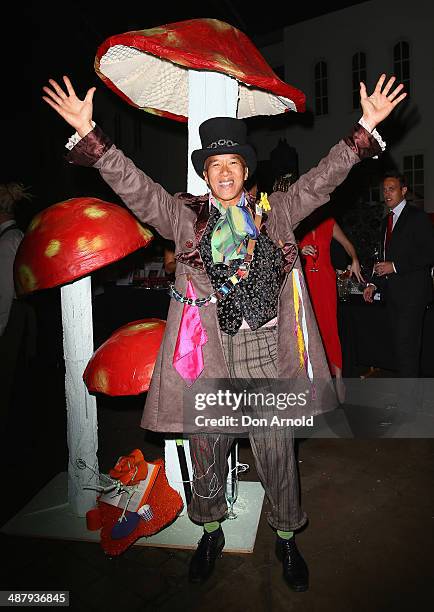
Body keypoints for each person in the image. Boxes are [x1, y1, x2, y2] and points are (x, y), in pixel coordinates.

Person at [43, 73, 406, 591]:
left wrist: (365, 126)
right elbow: (137, 187)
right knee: (206, 448)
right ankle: (210, 531)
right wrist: (92, 136)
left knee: (277, 450)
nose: (225, 173)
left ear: (244, 171)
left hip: (264, 350)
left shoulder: (276, 213)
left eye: (233, 163)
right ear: (206, 176)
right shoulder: (185, 219)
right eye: (215, 165)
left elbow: (323, 179)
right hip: (210, 354)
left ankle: (286, 538)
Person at [363, 171, 434, 377]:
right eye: (384, 189)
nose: (386, 193)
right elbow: (383, 257)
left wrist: (394, 266)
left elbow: (429, 254)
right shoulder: (386, 221)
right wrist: (373, 284)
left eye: (391, 189)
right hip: (393, 295)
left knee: (408, 350)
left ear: (403, 191)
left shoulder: (417, 217)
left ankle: (409, 403)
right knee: (400, 350)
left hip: (413, 295)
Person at [298, 216, 364, 402]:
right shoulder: (297, 221)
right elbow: (282, 247)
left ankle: (339, 380)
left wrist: (355, 259)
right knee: (309, 331)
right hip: (305, 282)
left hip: (326, 282)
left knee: (330, 329)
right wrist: (300, 249)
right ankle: (317, 381)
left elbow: (347, 244)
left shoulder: (328, 223)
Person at [0, 182, 35, 419]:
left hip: (10, 317)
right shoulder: (17, 236)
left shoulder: (6, 242)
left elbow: (4, 294)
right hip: (19, 313)